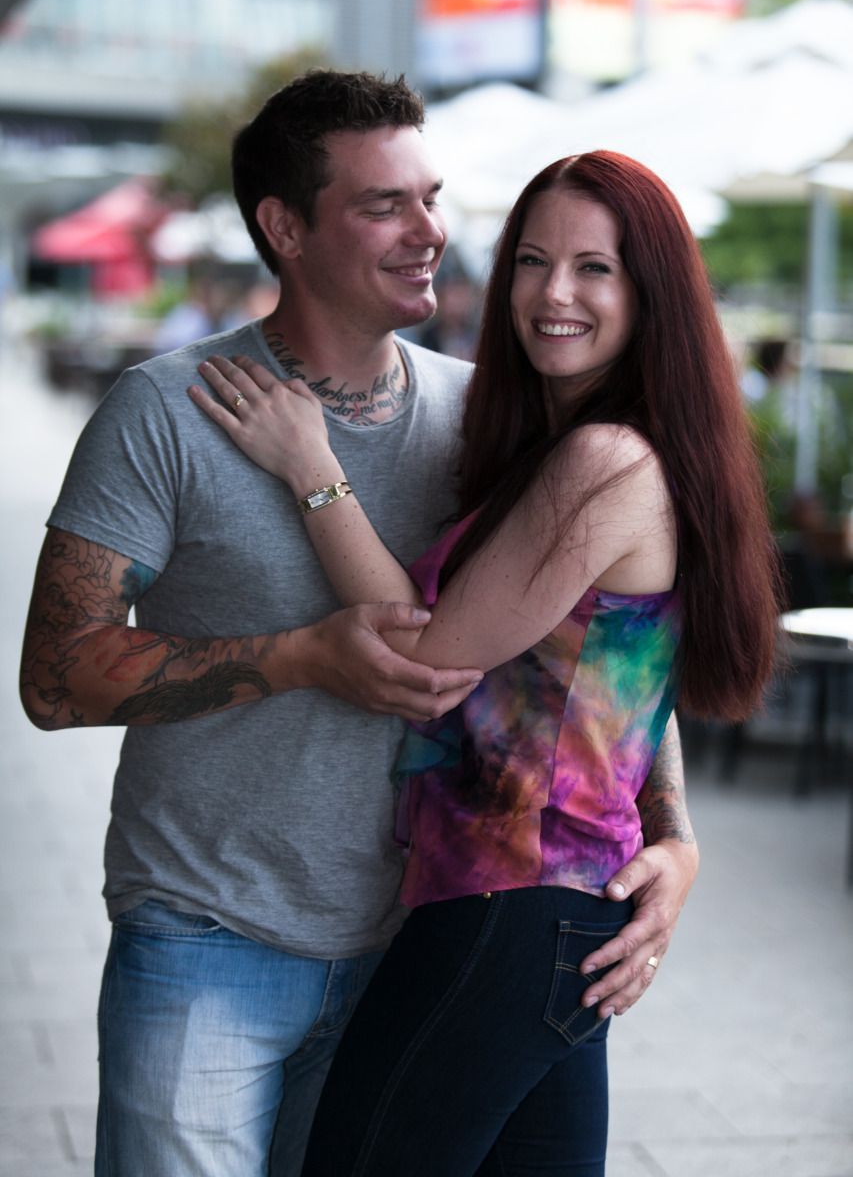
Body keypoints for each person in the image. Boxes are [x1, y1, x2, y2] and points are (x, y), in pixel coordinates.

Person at [19, 71, 695, 1177]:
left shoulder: (484, 410)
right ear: (284, 227)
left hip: (418, 948)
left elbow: (585, 645)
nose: (429, 231)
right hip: (209, 939)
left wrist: (670, 831)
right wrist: (296, 658)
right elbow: (53, 676)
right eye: (385, 204)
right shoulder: (167, 409)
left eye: (431, 197)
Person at [191, 149, 780, 1175]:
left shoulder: (605, 460)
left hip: (506, 909)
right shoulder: (570, 448)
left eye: (594, 268)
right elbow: (614, 679)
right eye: (533, 261)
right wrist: (676, 838)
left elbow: (425, 659)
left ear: (650, 292)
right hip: (558, 913)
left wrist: (311, 467)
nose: (554, 294)